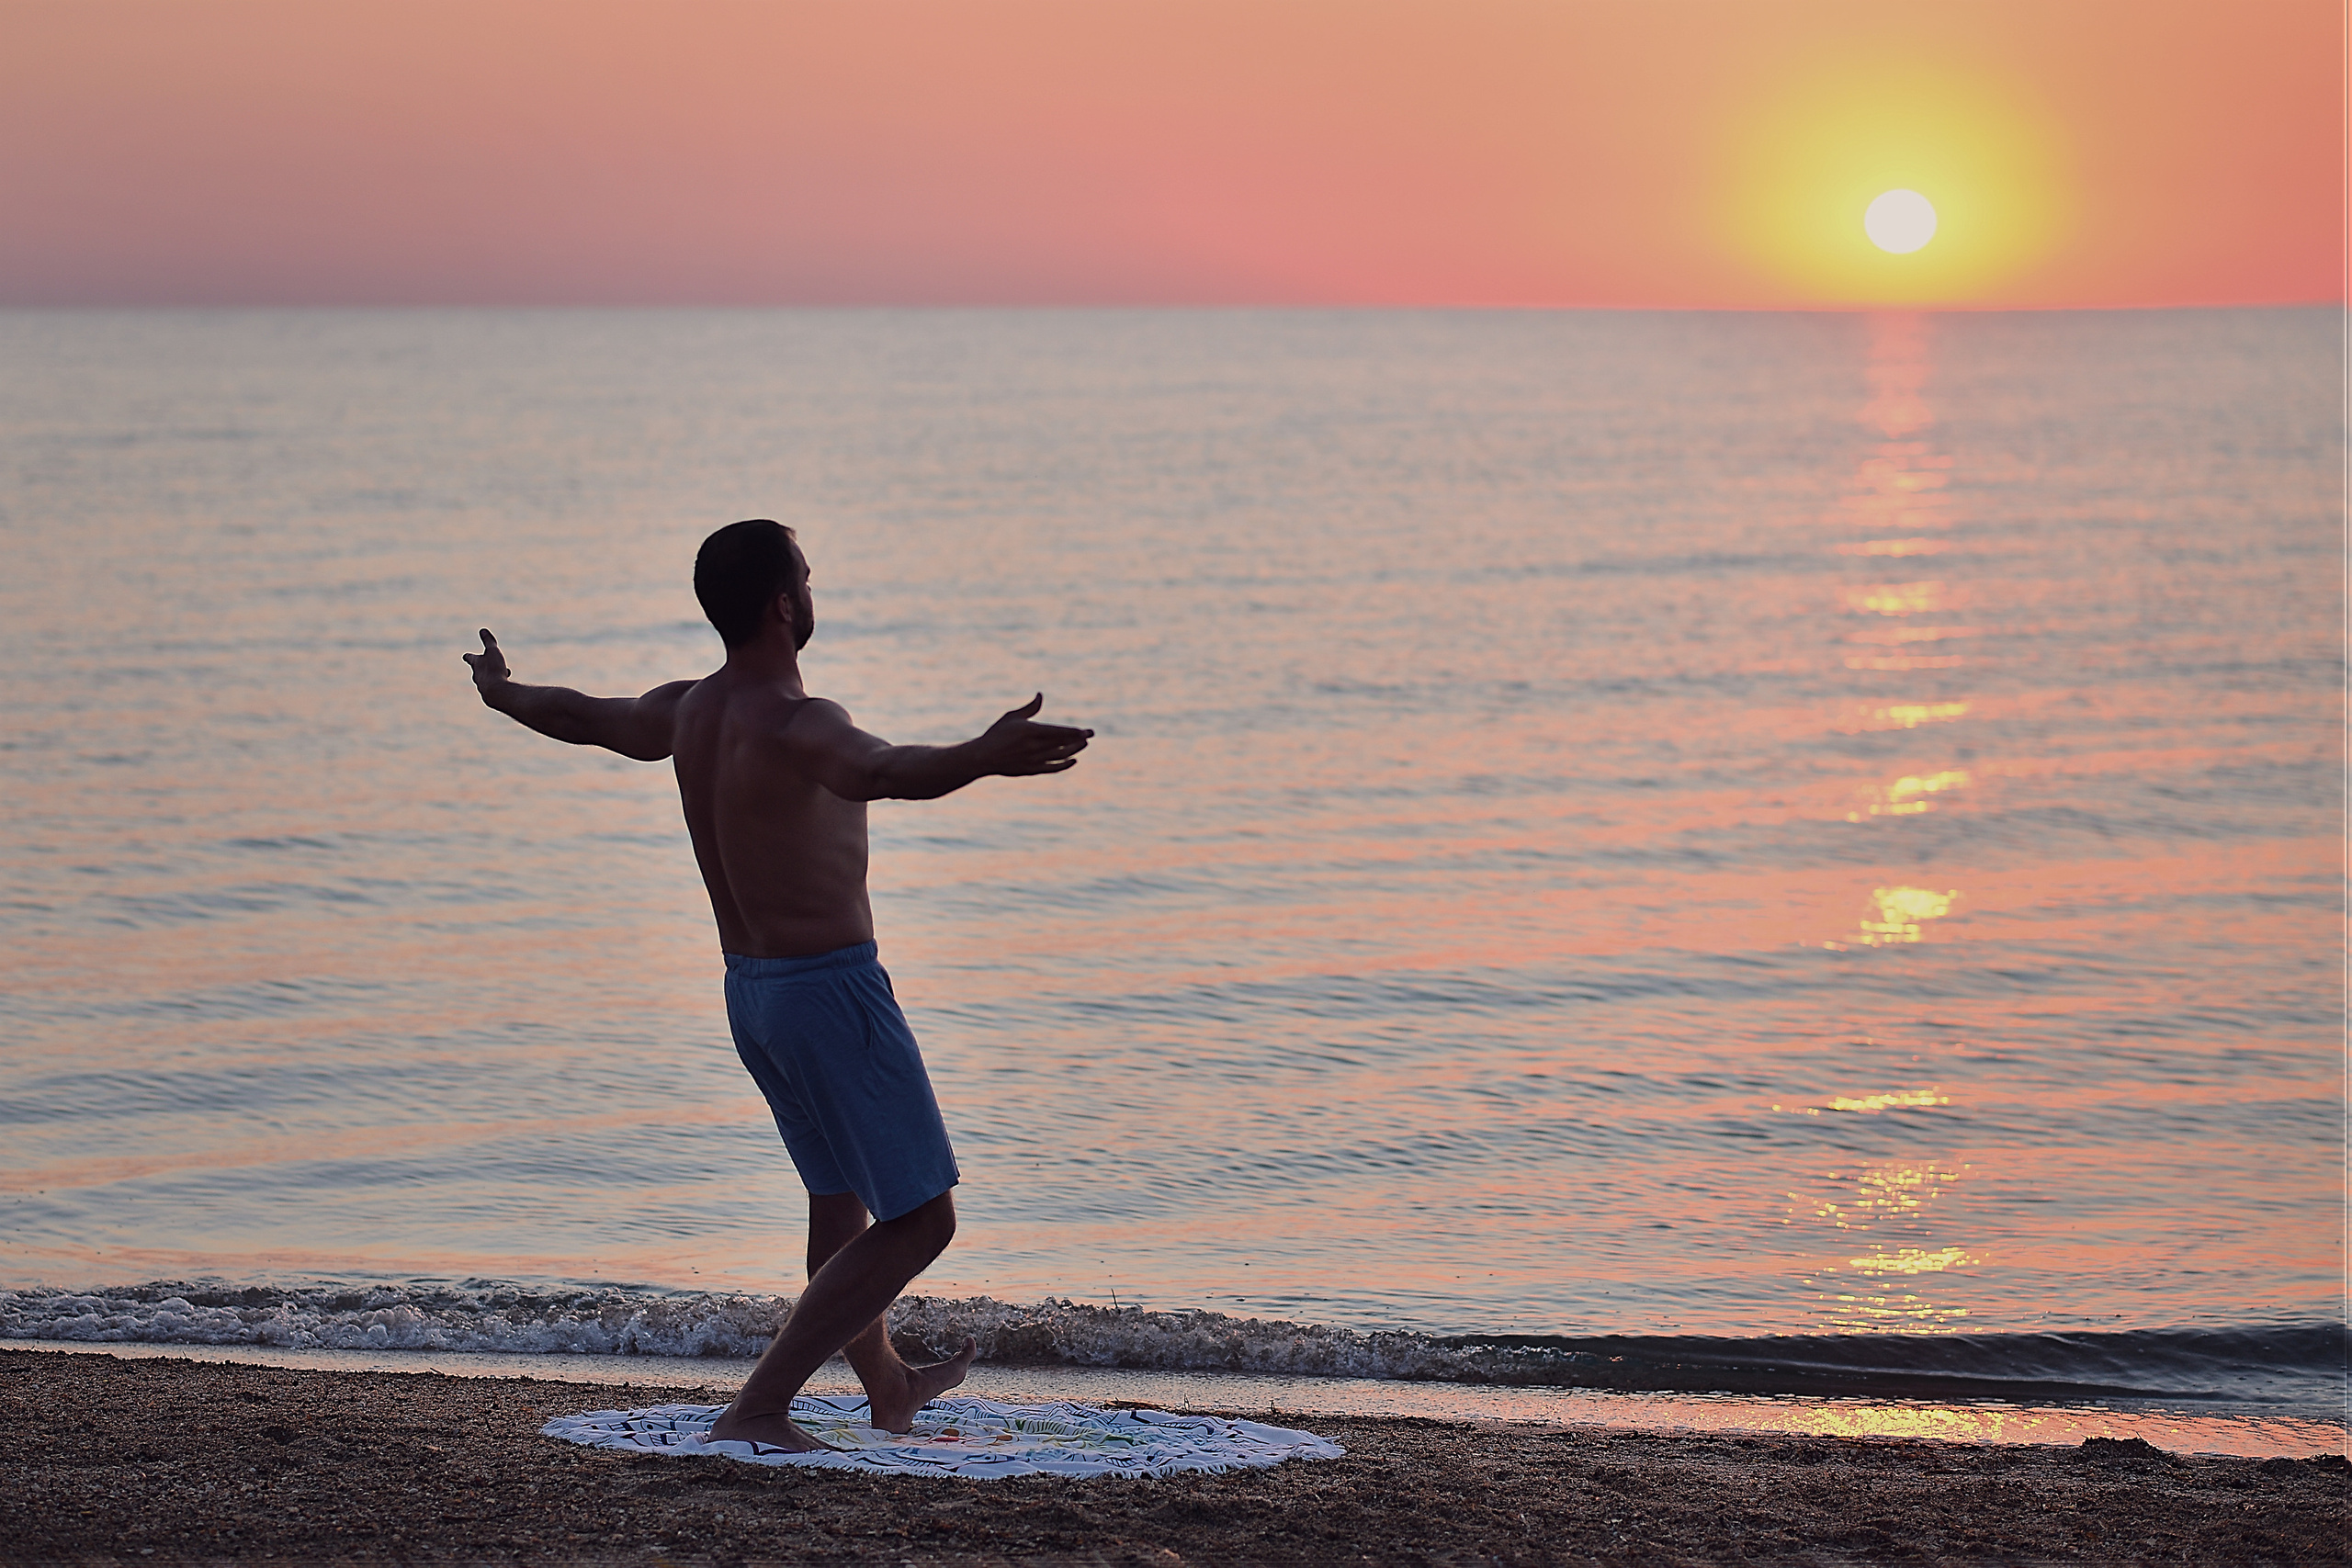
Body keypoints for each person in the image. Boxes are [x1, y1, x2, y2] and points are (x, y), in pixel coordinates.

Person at [463, 518, 1092, 1451]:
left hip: (753, 995)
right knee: (922, 1220)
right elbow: (884, 771)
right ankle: (758, 1407)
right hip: (829, 994)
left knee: (839, 1201)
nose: (813, 588)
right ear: (780, 602)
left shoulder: (687, 712)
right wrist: (980, 754)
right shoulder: (802, 723)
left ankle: (888, 1387)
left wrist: (504, 692)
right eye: (806, 576)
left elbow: (581, 715)